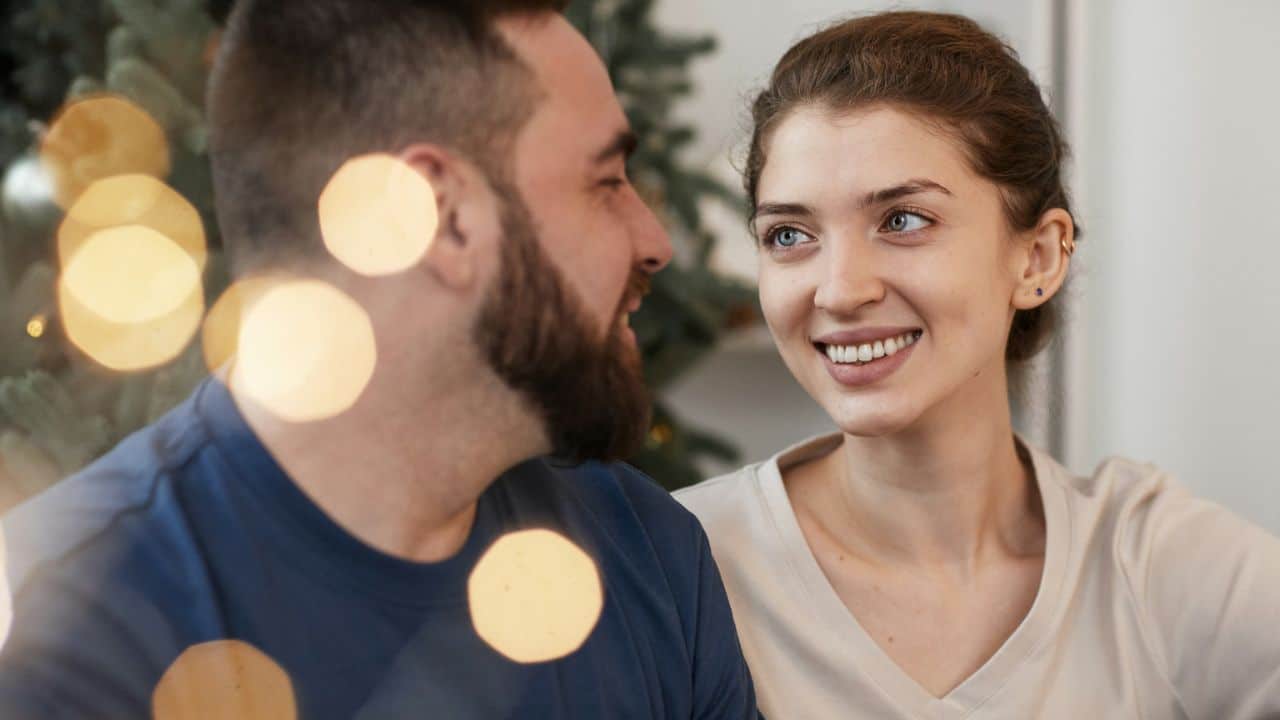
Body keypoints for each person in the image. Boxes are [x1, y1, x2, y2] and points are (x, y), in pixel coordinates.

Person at [0, 1, 758, 718]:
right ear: (439, 216)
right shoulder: (62, 632)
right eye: (605, 183)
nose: (654, 239)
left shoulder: (649, 556)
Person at [676, 10, 1280, 719]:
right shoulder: (684, 568)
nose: (839, 289)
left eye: (903, 220)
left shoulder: (1149, 565)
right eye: (789, 234)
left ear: (1038, 257)